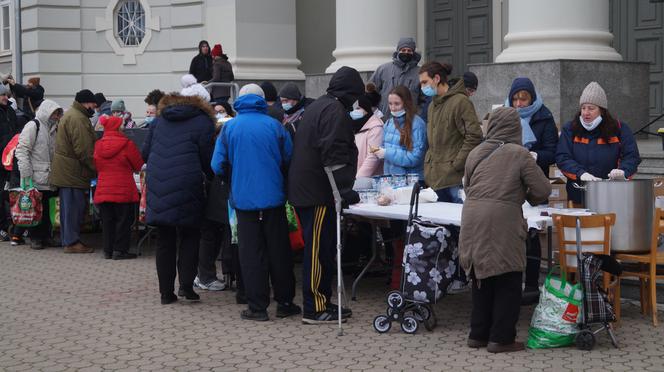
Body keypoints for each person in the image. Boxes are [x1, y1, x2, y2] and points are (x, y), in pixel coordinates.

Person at [460, 107, 551, 353]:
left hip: (471, 217)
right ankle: (501, 338)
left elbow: (467, 186)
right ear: (516, 128)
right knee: (508, 277)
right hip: (502, 220)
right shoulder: (519, 154)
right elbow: (543, 190)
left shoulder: (475, 152)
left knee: (481, 275)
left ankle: (478, 334)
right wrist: (523, 195)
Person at [211, 83, 300, 321]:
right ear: (262, 101)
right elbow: (289, 158)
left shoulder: (229, 128)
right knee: (279, 251)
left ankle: (257, 307)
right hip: (273, 200)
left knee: (251, 254)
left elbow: (217, 164)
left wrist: (232, 179)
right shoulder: (275, 126)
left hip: (244, 201)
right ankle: (285, 302)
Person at [288, 66, 362, 324]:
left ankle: (321, 301)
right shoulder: (334, 110)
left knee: (321, 247)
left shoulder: (319, 105)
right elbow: (334, 153)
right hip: (318, 191)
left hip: (309, 187)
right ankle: (315, 306)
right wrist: (343, 190)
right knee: (318, 250)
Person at [142, 90, 215, 305]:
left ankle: (166, 293)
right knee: (190, 236)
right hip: (188, 184)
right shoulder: (202, 121)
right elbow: (208, 159)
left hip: (158, 184)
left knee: (164, 239)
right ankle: (186, 288)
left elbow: (144, 153)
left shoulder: (159, 121)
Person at [505, 77, 559, 303]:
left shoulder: (544, 116)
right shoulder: (505, 115)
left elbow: (553, 151)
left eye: (523, 99)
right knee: (511, 233)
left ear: (532, 98)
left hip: (534, 180)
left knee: (532, 234)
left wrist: (535, 156)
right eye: (515, 99)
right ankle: (512, 283)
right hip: (509, 181)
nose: (519, 103)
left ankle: (532, 284)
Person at [556, 81, 641, 206]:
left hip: (612, 195)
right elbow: (562, 157)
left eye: (591, 108)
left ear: (602, 110)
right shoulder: (570, 129)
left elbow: (632, 156)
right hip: (578, 195)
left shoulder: (619, 129)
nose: (586, 112)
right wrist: (581, 173)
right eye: (583, 108)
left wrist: (623, 171)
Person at [419, 62, 482, 203]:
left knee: (457, 222)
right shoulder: (432, 106)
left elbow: (474, 136)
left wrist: (456, 164)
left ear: (436, 78)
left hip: (454, 180)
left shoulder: (461, 102)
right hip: (435, 178)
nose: (422, 87)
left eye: (424, 82)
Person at [49, 89, 98, 253]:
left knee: (69, 208)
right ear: (86, 102)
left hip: (69, 171)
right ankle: (71, 242)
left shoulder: (74, 115)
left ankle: (68, 240)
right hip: (72, 172)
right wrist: (95, 168)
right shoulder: (78, 119)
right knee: (72, 209)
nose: (94, 107)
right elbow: (84, 149)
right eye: (93, 104)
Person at [93, 115, 143, 259]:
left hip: (104, 188)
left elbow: (96, 165)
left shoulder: (98, 144)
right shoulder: (127, 144)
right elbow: (138, 165)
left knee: (107, 221)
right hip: (123, 188)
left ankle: (107, 250)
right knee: (123, 220)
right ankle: (120, 250)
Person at [15, 99, 63, 250]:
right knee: (36, 210)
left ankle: (46, 237)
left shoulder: (55, 128)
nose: (56, 116)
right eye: (54, 113)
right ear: (47, 112)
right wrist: (26, 174)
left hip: (50, 177)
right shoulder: (33, 126)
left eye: (57, 113)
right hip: (35, 176)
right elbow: (22, 150)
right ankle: (35, 238)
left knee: (48, 210)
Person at [370, 85, 427, 178]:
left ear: (406, 103)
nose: (392, 108)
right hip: (390, 178)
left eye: (397, 104)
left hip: (411, 180)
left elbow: (415, 158)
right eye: (390, 103)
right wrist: (378, 151)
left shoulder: (417, 124)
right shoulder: (388, 123)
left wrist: (386, 153)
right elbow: (384, 148)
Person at [370, 37, 422, 115]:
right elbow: (370, 92)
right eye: (403, 50)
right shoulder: (383, 69)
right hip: (385, 119)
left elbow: (424, 99)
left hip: (410, 120)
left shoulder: (420, 72)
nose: (406, 53)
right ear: (398, 51)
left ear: (413, 52)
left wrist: (418, 114)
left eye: (409, 51)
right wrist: (375, 111)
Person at [0, 84, 18, 243]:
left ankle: (10, 225)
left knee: (8, 193)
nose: (5, 97)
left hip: (9, 160)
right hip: (1, 159)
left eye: (6, 95)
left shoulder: (10, 111)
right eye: (2, 95)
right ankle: (2, 227)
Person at [353, 83, 384, 178]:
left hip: (368, 181)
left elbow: (373, 156)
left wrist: (358, 179)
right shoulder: (355, 126)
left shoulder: (376, 127)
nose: (355, 111)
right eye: (354, 109)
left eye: (358, 108)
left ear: (366, 109)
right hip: (354, 178)